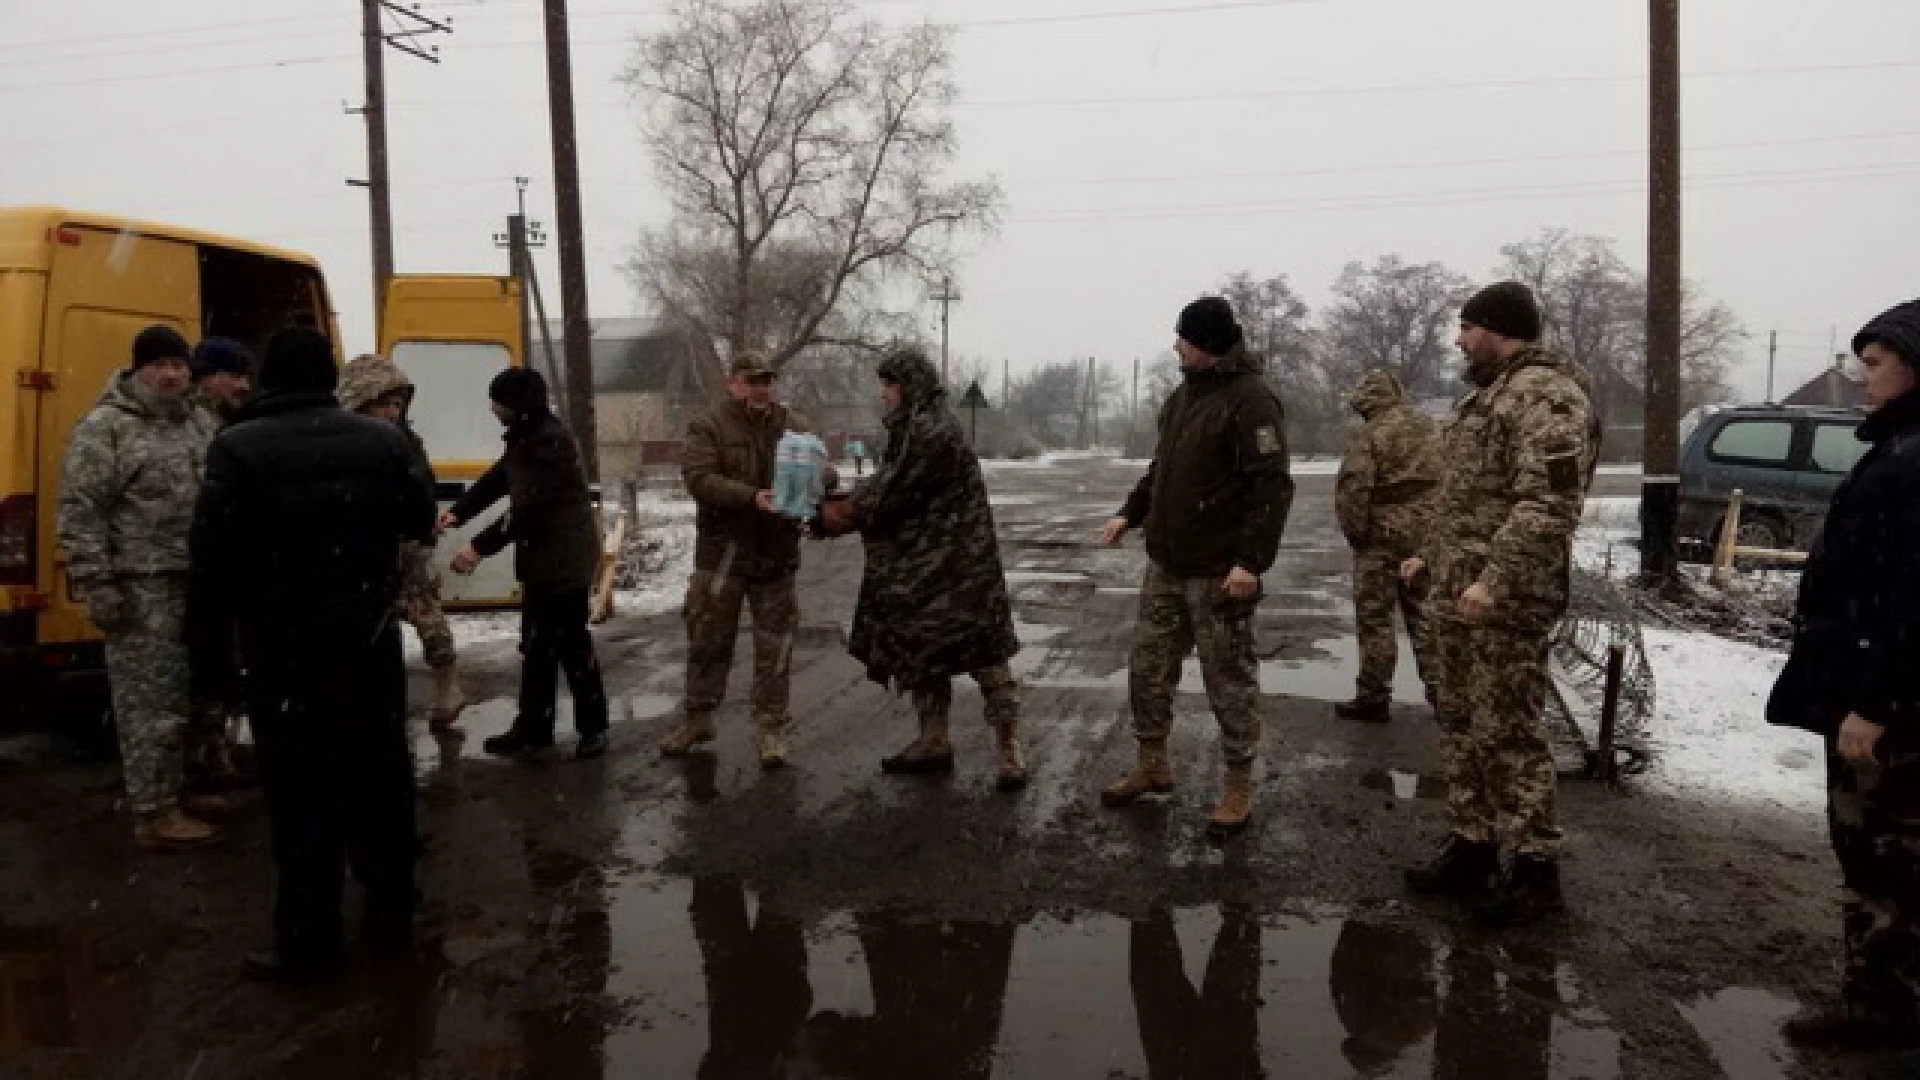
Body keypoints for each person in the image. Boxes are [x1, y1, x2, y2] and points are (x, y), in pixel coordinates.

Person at [188, 325, 437, 980]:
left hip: (282, 653)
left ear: (269, 377)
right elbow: (417, 518)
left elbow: (209, 555)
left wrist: (218, 651)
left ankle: (308, 941)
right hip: (367, 644)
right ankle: (391, 923)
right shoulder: (382, 440)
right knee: (381, 785)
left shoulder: (235, 446)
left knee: (301, 799)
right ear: (329, 378)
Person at [1400, 281, 1599, 925]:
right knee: (1459, 720)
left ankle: (1535, 867)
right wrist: (1431, 555)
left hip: (1504, 601)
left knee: (1508, 728)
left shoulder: (1548, 397)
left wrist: (1495, 581)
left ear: (1493, 328)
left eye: (1466, 328)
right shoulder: (1486, 397)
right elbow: (1468, 498)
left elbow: (1546, 505)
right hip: (1458, 594)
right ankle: (1474, 844)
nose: (1459, 340)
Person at [1769, 298, 1920, 1049]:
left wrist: (1876, 701)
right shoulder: (1897, 446)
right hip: (1878, 685)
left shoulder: (1913, 457)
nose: (1861, 379)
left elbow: (1912, 596)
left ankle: (1883, 1002)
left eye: (1874, 364)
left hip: (1889, 705)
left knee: (1880, 851)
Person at [1100, 295, 1293, 838]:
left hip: (1218, 570)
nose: (1175, 345)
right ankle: (1153, 762)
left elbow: (1270, 485)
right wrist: (1129, 513)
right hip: (1167, 562)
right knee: (1148, 666)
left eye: (1183, 337)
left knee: (1227, 678)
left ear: (1206, 344)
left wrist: (1251, 563)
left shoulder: (1250, 401)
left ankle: (1236, 784)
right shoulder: (1183, 396)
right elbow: (1162, 468)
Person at [820, 348, 1028, 790]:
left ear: (910, 386)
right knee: (924, 648)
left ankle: (1010, 749)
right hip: (927, 565)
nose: (883, 394)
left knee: (985, 651)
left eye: (890, 385)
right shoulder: (910, 429)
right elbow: (889, 483)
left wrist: (840, 515)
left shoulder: (930, 430)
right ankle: (933, 739)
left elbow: (894, 488)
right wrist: (845, 507)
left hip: (961, 563)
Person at [58, 324, 221, 849]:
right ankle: (152, 813)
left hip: (195, 582)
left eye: (179, 364)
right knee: (149, 702)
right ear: (138, 370)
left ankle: (179, 789)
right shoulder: (105, 428)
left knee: (192, 694)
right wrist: (96, 581)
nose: (172, 375)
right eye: (160, 365)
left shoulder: (198, 421)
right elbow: (81, 510)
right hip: (141, 586)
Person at [443, 367, 609, 760]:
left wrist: (479, 547)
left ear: (518, 404)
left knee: (571, 645)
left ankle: (593, 728)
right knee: (536, 647)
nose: (492, 408)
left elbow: (529, 509)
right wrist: (458, 512)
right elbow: (498, 479)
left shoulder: (550, 442)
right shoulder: (526, 438)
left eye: (497, 401)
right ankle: (534, 727)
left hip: (564, 561)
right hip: (542, 560)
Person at [660, 352, 810, 768]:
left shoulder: (793, 426)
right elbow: (699, 478)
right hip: (722, 553)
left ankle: (771, 728)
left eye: (767, 381)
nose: (761, 388)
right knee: (708, 640)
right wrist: (750, 497)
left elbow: (815, 470)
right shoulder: (709, 425)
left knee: (775, 647)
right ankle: (699, 718)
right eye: (751, 380)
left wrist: (823, 478)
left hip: (776, 553)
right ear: (733, 383)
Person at [339, 353, 468, 729]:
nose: (392, 412)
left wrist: (418, 532)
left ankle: (448, 687)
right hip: (361, 548)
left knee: (426, 612)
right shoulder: (341, 441)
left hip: (406, 544)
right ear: (358, 401)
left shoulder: (405, 443)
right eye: (383, 403)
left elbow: (421, 493)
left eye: (397, 404)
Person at [1333, 369, 1442, 724]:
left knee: (1375, 618)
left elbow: (1354, 487)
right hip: (1427, 535)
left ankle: (1373, 695)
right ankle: (1444, 694)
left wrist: (1357, 535)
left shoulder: (1371, 434)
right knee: (1426, 616)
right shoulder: (1432, 428)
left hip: (1380, 537)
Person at [188, 336, 253, 423]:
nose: (246, 386)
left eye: (247, 378)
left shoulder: (241, 423)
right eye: (236, 376)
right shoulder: (181, 421)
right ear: (204, 377)